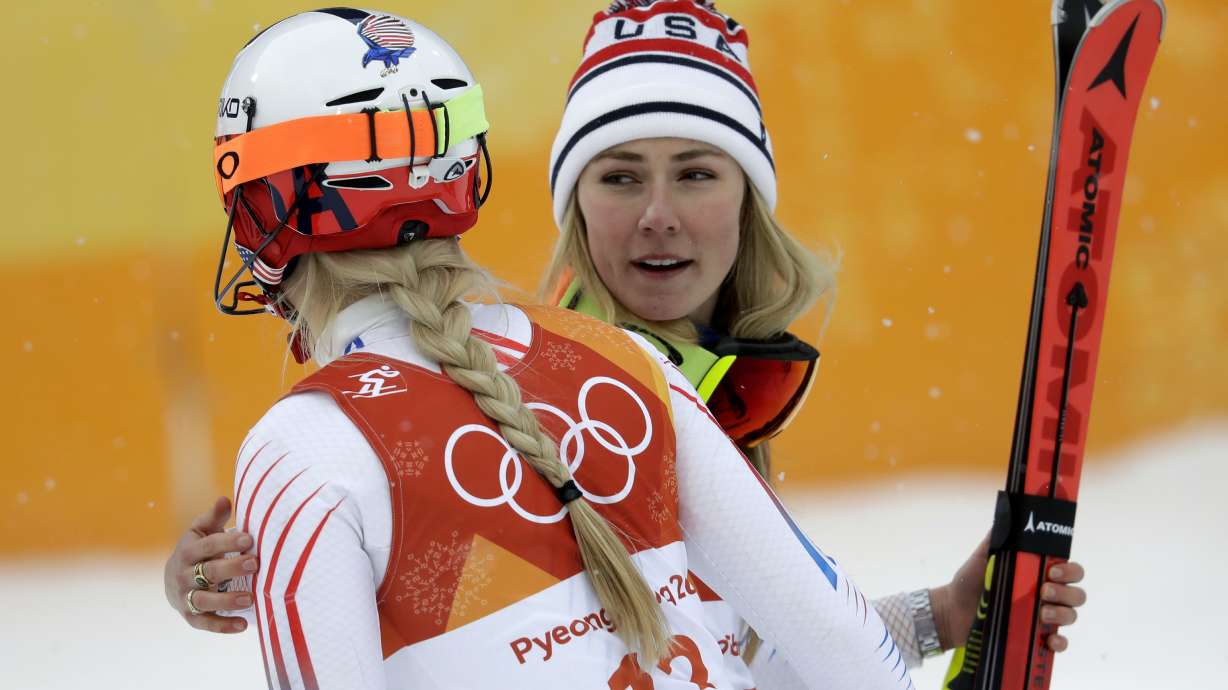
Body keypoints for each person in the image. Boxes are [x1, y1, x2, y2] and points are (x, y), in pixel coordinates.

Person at [165, 1, 1086, 686]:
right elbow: (847, 661)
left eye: (694, 173)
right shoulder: (629, 368)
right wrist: (929, 625)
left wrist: (938, 618)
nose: (659, 221)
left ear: (268, 208)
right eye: (621, 176)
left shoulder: (309, 448)